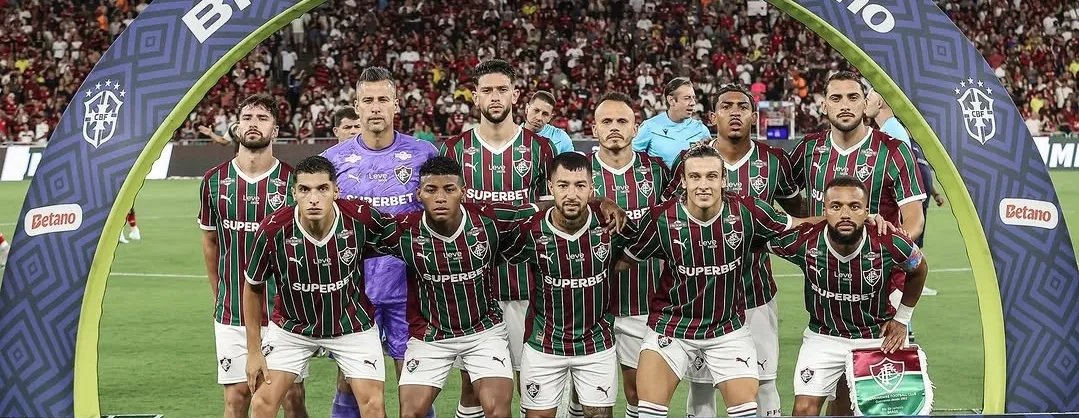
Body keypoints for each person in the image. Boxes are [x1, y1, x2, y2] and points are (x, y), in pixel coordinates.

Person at [619, 145, 825, 418]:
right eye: (695, 177)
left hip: (727, 330)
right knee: (648, 411)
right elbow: (623, 260)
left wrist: (856, 219)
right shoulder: (661, 219)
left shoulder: (748, 212)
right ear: (683, 181)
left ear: (723, 180)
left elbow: (800, 224)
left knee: (745, 411)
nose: (703, 185)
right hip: (672, 328)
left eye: (711, 176)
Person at [789, 71, 927, 415]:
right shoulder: (809, 150)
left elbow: (914, 217)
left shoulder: (893, 151)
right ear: (823, 105)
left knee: (859, 398)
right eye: (836, 98)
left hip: (881, 290)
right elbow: (786, 199)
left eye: (853, 97)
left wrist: (890, 248)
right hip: (827, 283)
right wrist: (807, 228)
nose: (845, 105)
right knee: (829, 390)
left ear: (866, 103)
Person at [663, 84, 803, 417]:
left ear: (755, 116)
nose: (735, 112)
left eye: (743, 106)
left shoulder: (773, 161)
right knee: (701, 383)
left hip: (755, 292)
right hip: (701, 297)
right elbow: (667, 214)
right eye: (726, 106)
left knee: (764, 380)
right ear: (713, 116)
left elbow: (795, 209)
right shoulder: (691, 160)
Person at [439, 58, 557, 418]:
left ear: (515, 95)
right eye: (487, 90)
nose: (495, 97)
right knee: (473, 388)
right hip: (473, 290)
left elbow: (548, 219)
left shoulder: (540, 150)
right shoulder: (454, 150)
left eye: (502, 89)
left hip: (527, 288)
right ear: (474, 97)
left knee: (530, 384)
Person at [319, 66, 438, 418]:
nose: (375, 107)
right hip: (354, 290)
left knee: (413, 382)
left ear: (396, 104)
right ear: (356, 107)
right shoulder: (333, 160)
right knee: (349, 379)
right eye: (367, 100)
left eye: (382, 99)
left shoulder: (423, 154)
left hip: (410, 289)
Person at [369, 156, 520, 418]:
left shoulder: (490, 220)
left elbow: (547, 210)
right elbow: (349, 227)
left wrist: (600, 205)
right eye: (431, 190)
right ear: (418, 194)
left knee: (497, 411)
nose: (440, 197)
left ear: (464, 192)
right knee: (410, 413)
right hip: (431, 336)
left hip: (484, 332)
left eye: (449, 189)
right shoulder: (404, 232)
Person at [243, 156, 393, 418]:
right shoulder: (273, 230)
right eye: (305, 190)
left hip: (351, 326)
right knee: (262, 403)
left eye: (322, 189)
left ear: (336, 191)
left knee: (373, 405)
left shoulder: (360, 218)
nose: (313, 198)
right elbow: (253, 287)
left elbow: (403, 235)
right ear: (294, 193)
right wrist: (254, 351)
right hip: (292, 328)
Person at [766, 176, 929, 416]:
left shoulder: (888, 241)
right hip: (824, 336)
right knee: (803, 409)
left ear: (866, 211)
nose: (845, 214)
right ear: (825, 211)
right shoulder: (805, 241)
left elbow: (919, 269)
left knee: (882, 411)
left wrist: (902, 319)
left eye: (854, 207)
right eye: (836, 206)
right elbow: (757, 236)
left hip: (875, 337)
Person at [502, 152, 638, 418]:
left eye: (580, 185)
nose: (571, 194)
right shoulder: (529, 231)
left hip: (595, 343)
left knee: (599, 415)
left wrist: (607, 203)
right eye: (563, 185)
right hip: (544, 344)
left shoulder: (612, 225)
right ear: (550, 187)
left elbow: (641, 244)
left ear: (591, 187)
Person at [197, 93, 308, 418]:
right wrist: (218, 294)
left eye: (262, 119)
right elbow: (210, 242)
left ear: (275, 130)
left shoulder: (293, 182)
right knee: (236, 400)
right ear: (237, 126)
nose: (253, 124)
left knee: (292, 400)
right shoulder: (214, 181)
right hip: (231, 313)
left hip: (284, 314)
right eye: (247, 118)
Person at [586, 92, 670, 418]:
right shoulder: (577, 172)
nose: (614, 128)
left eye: (622, 121)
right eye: (606, 121)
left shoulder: (657, 172)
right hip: (588, 306)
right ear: (594, 128)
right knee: (590, 401)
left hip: (641, 303)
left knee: (639, 393)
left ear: (636, 129)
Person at [866, 89, 944, 297]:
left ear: (881, 101)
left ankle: (911, 289)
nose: (866, 100)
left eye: (870, 95)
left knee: (901, 246)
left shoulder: (892, 130)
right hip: (911, 193)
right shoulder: (891, 128)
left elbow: (906, 170)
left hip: (901, 199)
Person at [632, 77, 712, 168]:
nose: (693, 103)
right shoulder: (649, 127)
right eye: (687, 98)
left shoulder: (701, 129)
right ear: (671, 100)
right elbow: (632, 161)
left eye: (693, 98)